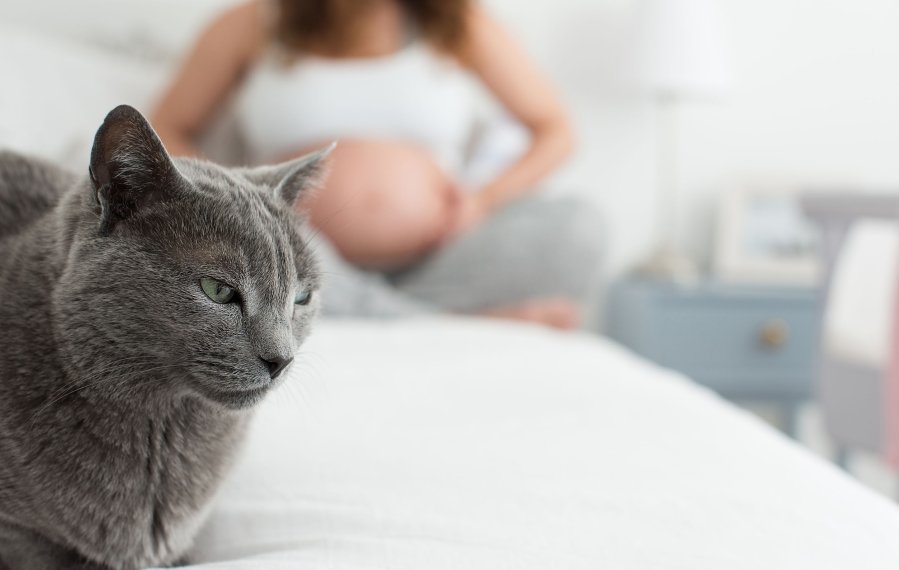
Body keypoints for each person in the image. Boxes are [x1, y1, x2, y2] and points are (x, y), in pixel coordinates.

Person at [152, 0, 603, 329]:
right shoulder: (251, 23)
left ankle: (385, 313)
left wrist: (483, 200)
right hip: (304, 254)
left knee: (577, 224)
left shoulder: (461, 23)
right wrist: (235, 202)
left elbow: (555, 129)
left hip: (441, 257)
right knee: (255, 253)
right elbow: (167, 127)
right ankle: (445, 322)